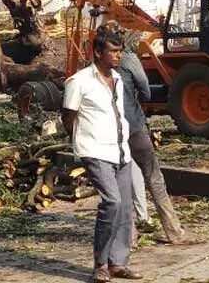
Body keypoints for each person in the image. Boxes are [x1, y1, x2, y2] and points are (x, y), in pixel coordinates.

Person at [63, 23, 141, 282]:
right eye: (113, 51)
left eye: (120, 51)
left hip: (121, 150)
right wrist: (80, 142)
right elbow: (68, 116)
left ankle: (118, 262)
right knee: (112, 201)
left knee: (125, 207)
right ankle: (100, 263)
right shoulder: (79, 81)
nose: (118, 55)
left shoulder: (118, 80)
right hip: (94, 150)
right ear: (98, 52)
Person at [117, 33, 188, 245]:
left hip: (112, 130)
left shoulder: (95, 68)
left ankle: (129, 236)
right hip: (135, 127)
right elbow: (145, 90)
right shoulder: (128, 59)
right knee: (154, 177)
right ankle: (174, 231)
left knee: (121, 181)